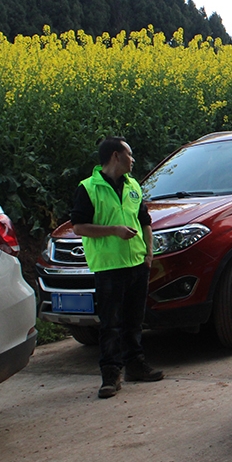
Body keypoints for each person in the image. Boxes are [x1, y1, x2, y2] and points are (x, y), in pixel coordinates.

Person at [71, 136, 164, 398]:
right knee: (110, 324)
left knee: (134, 321)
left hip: (137, 263)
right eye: (129, 154)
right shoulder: (88, 188)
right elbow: (79, 227)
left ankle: (136, 365)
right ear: (115, 156)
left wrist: (148, 254)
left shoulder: (133, 185)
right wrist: (114, 230)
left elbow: (145, 220)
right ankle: (110, 375)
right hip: (109, 266)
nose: (132, 159)